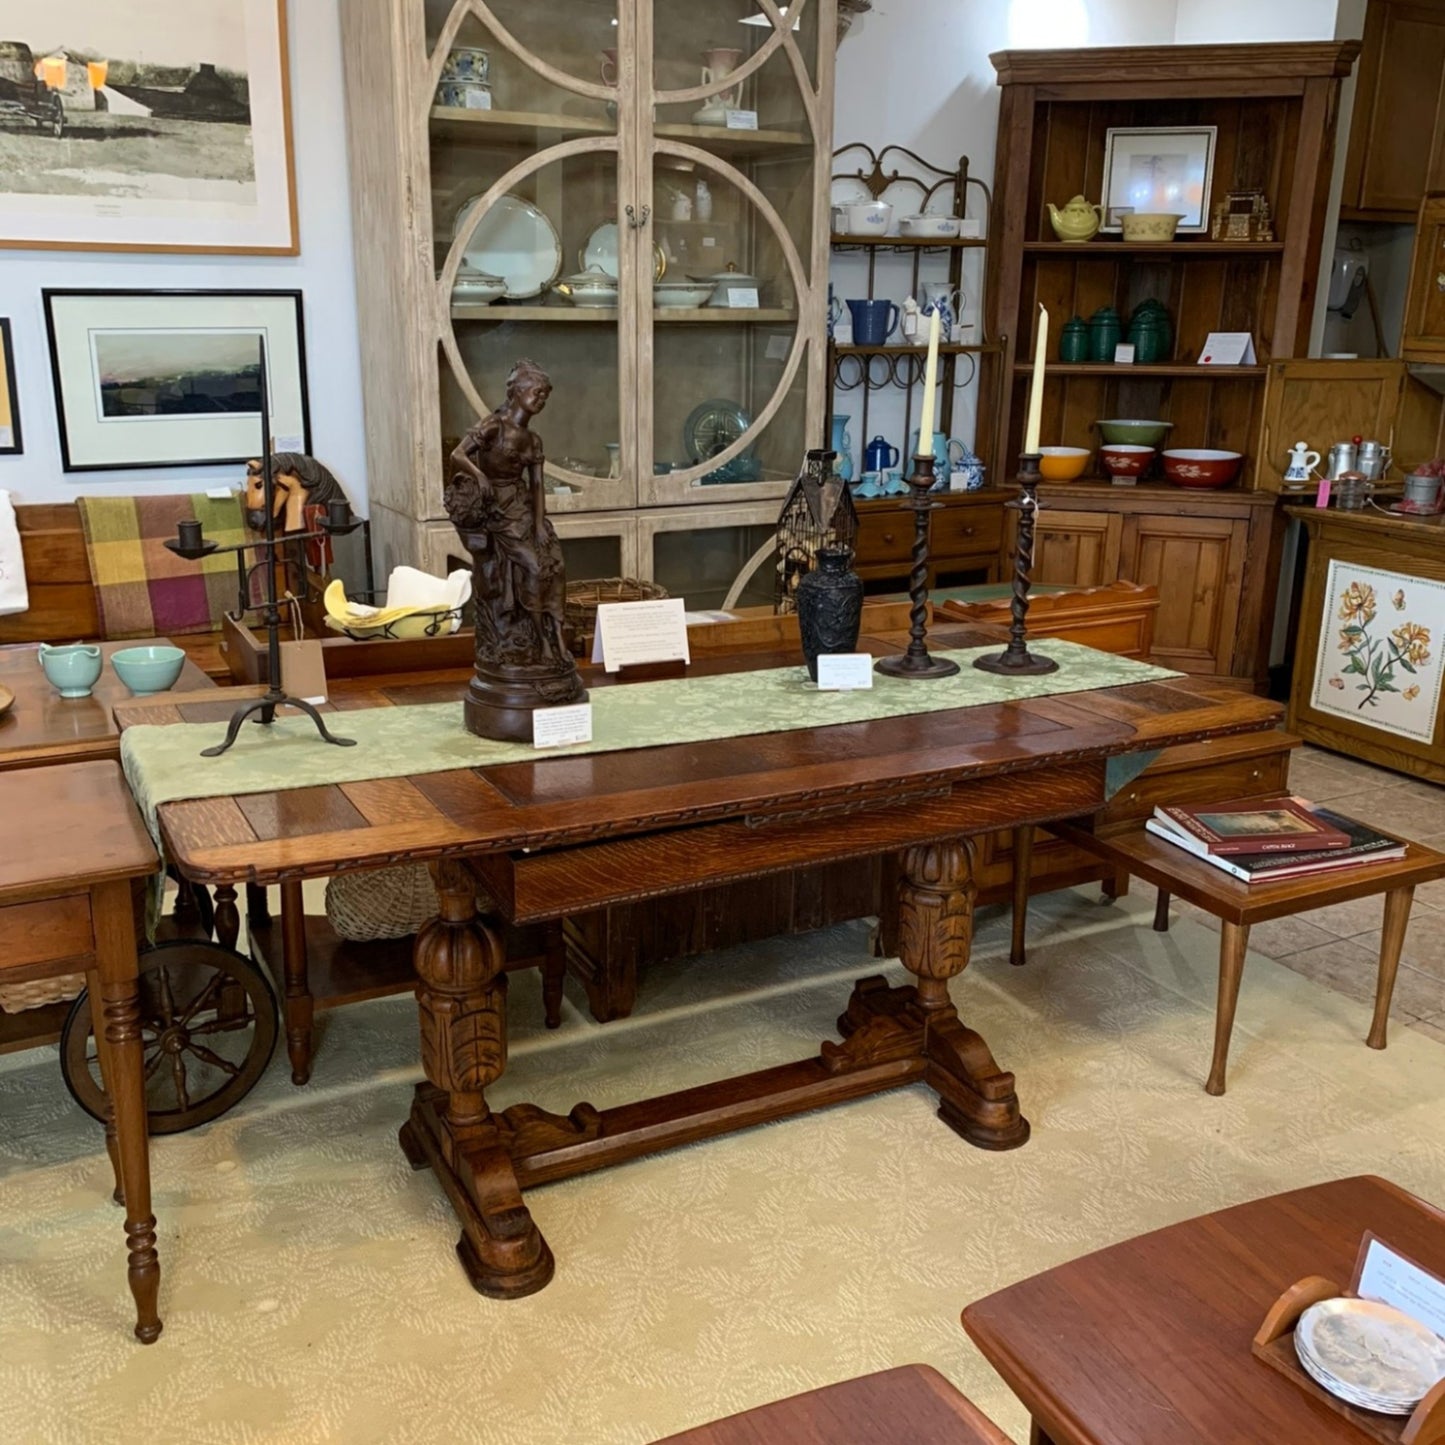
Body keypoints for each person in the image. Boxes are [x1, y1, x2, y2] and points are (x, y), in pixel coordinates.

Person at [445, 359, 572, 669]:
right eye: (536, 392)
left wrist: (541, 524)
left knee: (555, 564)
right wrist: (480, 476)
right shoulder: (494, 425)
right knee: (533, 566)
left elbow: (538, 486)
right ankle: (540, 640)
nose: (541, 399)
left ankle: (555, 636)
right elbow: (457, 454)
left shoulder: (533, 440)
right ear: (517, 392)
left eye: (545, 395)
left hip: (522, 507)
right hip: (495, 509)